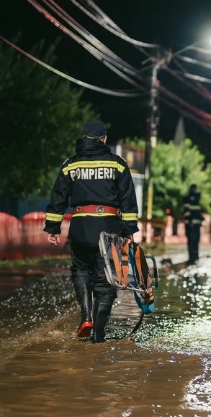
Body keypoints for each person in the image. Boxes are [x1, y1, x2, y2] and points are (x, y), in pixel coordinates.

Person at [43, 120, 139, 343]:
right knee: (106, 281)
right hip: (109, 228)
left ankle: (86, 317)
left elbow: (58, 197)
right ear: (104, 139)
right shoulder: (118, 164)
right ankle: (98, 334)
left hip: (80, 227)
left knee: (81, 270)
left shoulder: (71, 164)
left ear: (84, 139)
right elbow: (128, 199)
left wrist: (53, 227)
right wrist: (129, 229)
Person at [182, 184, 203, 263]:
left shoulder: (195, 198)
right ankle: (192, 257)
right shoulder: (190, 198)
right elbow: (187, 211)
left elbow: (196, 211)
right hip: (191, 224)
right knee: (192, 240)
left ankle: (194, 256)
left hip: (194, 224)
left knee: (194, 240)